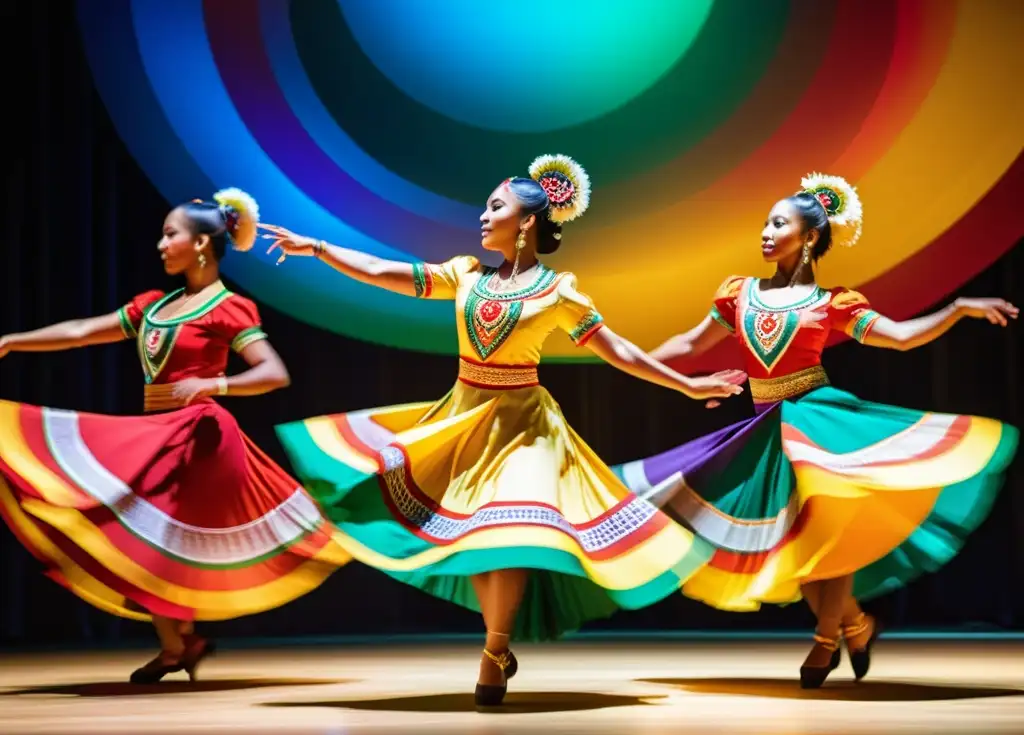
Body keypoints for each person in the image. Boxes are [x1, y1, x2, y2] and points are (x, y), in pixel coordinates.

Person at [259, 154, 746, 706]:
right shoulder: (465, 275)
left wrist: (686, 386)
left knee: (510, 536)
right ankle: (497, 643)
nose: (484, 217)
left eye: (496, 207)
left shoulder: (558, 292)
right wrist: (319, 248)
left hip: (525, 427)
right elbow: (382, 272)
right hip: (464, 420)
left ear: (529, 221)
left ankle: (494, 649)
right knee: (478, 539)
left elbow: (620, 351)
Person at [611, 172, 1019, 688]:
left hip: (817, 420)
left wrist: (958, 309)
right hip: (766, 430)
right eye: (765, 221)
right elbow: (691, 345)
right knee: (798, 547)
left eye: (778, 223)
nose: (765, 231)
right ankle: (854, 622)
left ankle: (826, 639)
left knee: (826, 534)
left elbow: (897, 338)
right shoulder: (739, 293)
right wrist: (632, 362)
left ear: (807, 238)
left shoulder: (833, 303)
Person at [0, 189, 350, 683]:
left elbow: (274, 373)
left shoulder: (229, 308)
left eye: (171, 234)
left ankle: (177, 644)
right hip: (157, 433)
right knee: (148, 538)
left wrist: (215, 383)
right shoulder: (155, 307)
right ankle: (179, 644)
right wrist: (12, 342)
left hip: (198, 438)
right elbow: (81, 331)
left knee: (155, 536)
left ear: (203, 244)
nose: (161, 245)